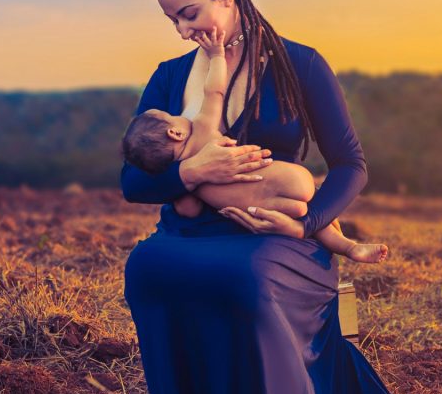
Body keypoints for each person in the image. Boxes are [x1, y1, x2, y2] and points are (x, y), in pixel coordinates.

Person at [122, 0, 420, 394]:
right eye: (173, 21)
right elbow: (130, 181)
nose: (184, 31)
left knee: (248, 276)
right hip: (190, 233)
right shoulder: (168, 76)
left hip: (279, 237)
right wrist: (192, 173)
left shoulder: (299, 65)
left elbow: (352, 164)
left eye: (190, 13)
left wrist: (304, 224)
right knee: (145, 267)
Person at [121, 24, 389, 264]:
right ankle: (349, 247)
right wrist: (217, 57)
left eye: (188, 14)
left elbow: (187, 211)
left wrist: (187, 181)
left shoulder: (187, 189)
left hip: (267, 209)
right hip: (289, 182)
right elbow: (214, 92)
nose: (182, 30)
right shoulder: (201, 133)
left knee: (300, 213)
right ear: (175, 133)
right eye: (173, 117)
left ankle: (342, 243)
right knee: (311, 210)